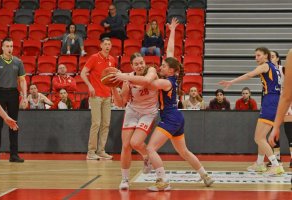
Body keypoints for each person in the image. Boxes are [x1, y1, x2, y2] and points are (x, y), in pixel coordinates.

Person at [115, 18, 214, 191]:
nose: (161, 66)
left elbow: (146, 83)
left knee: (151, 148)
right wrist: (173, 31)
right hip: (177, 118)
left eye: (164, 66)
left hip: (170, 118)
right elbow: (170, 50)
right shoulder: (171, 76)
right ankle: (205, 175)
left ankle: (162, 182)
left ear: (171, 71)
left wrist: (125, 76)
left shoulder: (166, 82)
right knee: (183, 152)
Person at [219, 47, 284, 175]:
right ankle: (260, 164)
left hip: (270, 101)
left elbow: (249, 75)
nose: (256, 58)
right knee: (261, 137)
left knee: (258, 138)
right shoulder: (274, 67)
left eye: (258, 55)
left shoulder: (265, 66)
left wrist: (231, 82)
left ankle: (276, 165)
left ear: (266, 56)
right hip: (273, 100)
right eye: (255, 56)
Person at [112, 53, 159, 190]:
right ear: (132, 66)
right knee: (126, 145)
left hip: (149, 112)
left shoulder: (151, 71)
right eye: (136, 64)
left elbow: (146, 81)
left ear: (145, 63)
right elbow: (120, 103)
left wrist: (125, 77)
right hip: (132, 111)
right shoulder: (127, 80)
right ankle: (125, 179)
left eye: (141, 63)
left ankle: (145, 155)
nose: (140, 66)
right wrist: (113, 87)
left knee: (136, 142)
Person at [0, 37, 28, 163]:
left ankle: (14, 154)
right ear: (2, 48)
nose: (10, 49)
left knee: (14, 124)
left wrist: (24, 96)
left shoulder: (18, 62)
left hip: (13, 93)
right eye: (7, 46)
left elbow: (23, 81)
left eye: (11, 46)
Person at [80, 37, 117, 160]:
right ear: (101, 45)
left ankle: (101, 151)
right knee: (96, 123)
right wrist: (90, 86)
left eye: (109, 44)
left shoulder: (112, 60)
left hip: (107, 96)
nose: (107, 46)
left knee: (106, 124)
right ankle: (91, 152)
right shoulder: (94, 58)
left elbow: (112, 79)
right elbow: (82, 73)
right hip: (96, 96)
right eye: (105, 44)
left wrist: (112, 93)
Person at [269, 50, 292, 168]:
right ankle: (276, 157)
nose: (270, 58)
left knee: (289, 130)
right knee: (274, 129)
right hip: (274, 101)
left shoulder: (283, 69)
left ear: (277, 58)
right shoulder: (267, 71)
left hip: (286, 99)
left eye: (272, 56)